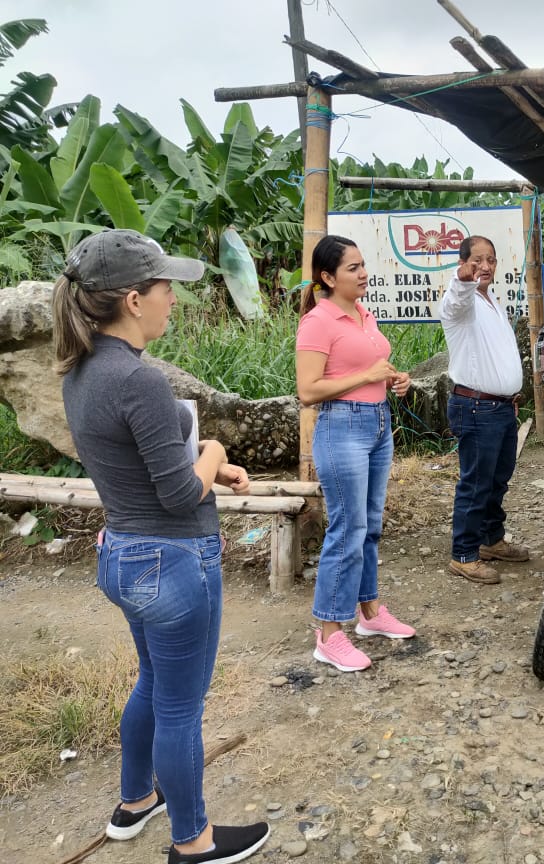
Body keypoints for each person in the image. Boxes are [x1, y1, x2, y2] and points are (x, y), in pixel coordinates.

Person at [53, 229, 269, 864]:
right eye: (165, 287)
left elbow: (137, 460)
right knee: (180, 707)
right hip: (173, 563)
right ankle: (193, 842)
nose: (173, 298)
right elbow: (177, 495)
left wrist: (207, 467)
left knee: (151, 682)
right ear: (132, 300)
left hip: (124, 554)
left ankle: (135, 800)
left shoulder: (81, 371)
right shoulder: (137, 379)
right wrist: (214, 451)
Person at [296, 235, 416, 673]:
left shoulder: (364, 314)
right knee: (348, 529)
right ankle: (329, 634)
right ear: (328, 278)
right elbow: (308, 390)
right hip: (341, 428)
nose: (363, 273)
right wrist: (367, 375)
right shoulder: (318, 321)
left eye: (363, 265)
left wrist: (393, 379)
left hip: (377, 423)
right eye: (353, 268)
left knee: (369, 526)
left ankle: (369, 612)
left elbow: (368, 369)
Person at [439, 235, 530, 585]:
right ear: (462, 263)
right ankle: (464, 554)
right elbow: (455, 302)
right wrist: (463, 280)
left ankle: (491, 540)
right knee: (476, 483)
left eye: (490, 259)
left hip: (501, 408)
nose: (485, 266)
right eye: (477, 260)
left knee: (497, 480)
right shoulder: (461, 301)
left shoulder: (492, 301)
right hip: (476, 407)